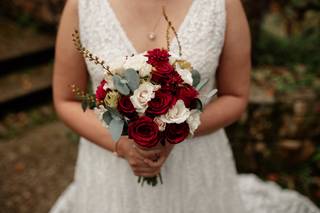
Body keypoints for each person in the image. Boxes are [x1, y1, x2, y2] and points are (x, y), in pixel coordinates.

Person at [50, 0, 320, 212]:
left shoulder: (222, 5)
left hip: (196, 165)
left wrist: (174, 132)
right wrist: (122, 145)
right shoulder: (83, 6)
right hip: (110, 171)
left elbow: (236, 96)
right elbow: (65, 100)